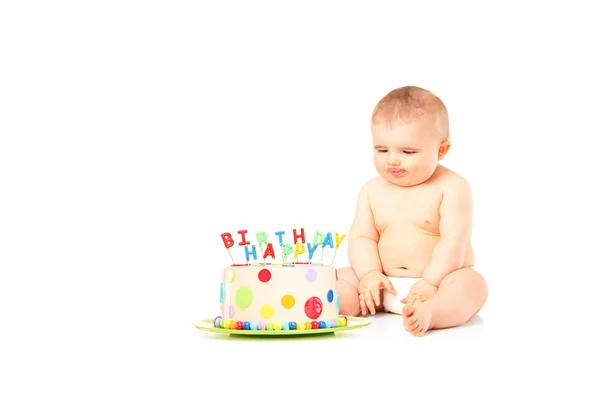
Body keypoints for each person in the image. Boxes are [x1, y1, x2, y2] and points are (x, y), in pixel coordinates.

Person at [335, 86, 488, 336]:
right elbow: (362, 238)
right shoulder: (371, 190)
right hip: (382, 284)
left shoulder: (451, 187)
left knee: (472, 285)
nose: (392, 160)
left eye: (407, 152)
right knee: (341, 276)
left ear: (441, 150)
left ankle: (432, 313)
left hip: (436, 285)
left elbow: (454, 242)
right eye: (382, 150)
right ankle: (335, 303)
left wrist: (430, 282)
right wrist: (369, 275)